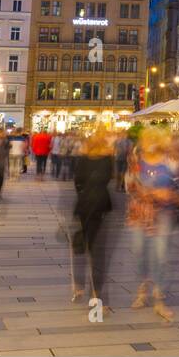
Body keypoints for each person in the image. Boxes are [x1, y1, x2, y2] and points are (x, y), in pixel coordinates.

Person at [125, 127, 179, 322]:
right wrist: (137, 189)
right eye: (146, 139)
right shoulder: (136, 159)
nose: (148, 142)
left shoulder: (171, 161)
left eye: (152, 139)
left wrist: (170, 194)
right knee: (139, 253)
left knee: (161, 255)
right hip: (139, 213)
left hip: (163, 214)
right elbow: (128, 184)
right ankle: (143, 287)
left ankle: (159, 297)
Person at [71, 129, 116, 311]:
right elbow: (107, 178)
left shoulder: (82, 159)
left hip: (83, 207)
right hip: (100, 207)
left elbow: (78, 182)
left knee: (82, 247)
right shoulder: (107, 160)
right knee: (98, 254)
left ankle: (78, 286)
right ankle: (97, 296)